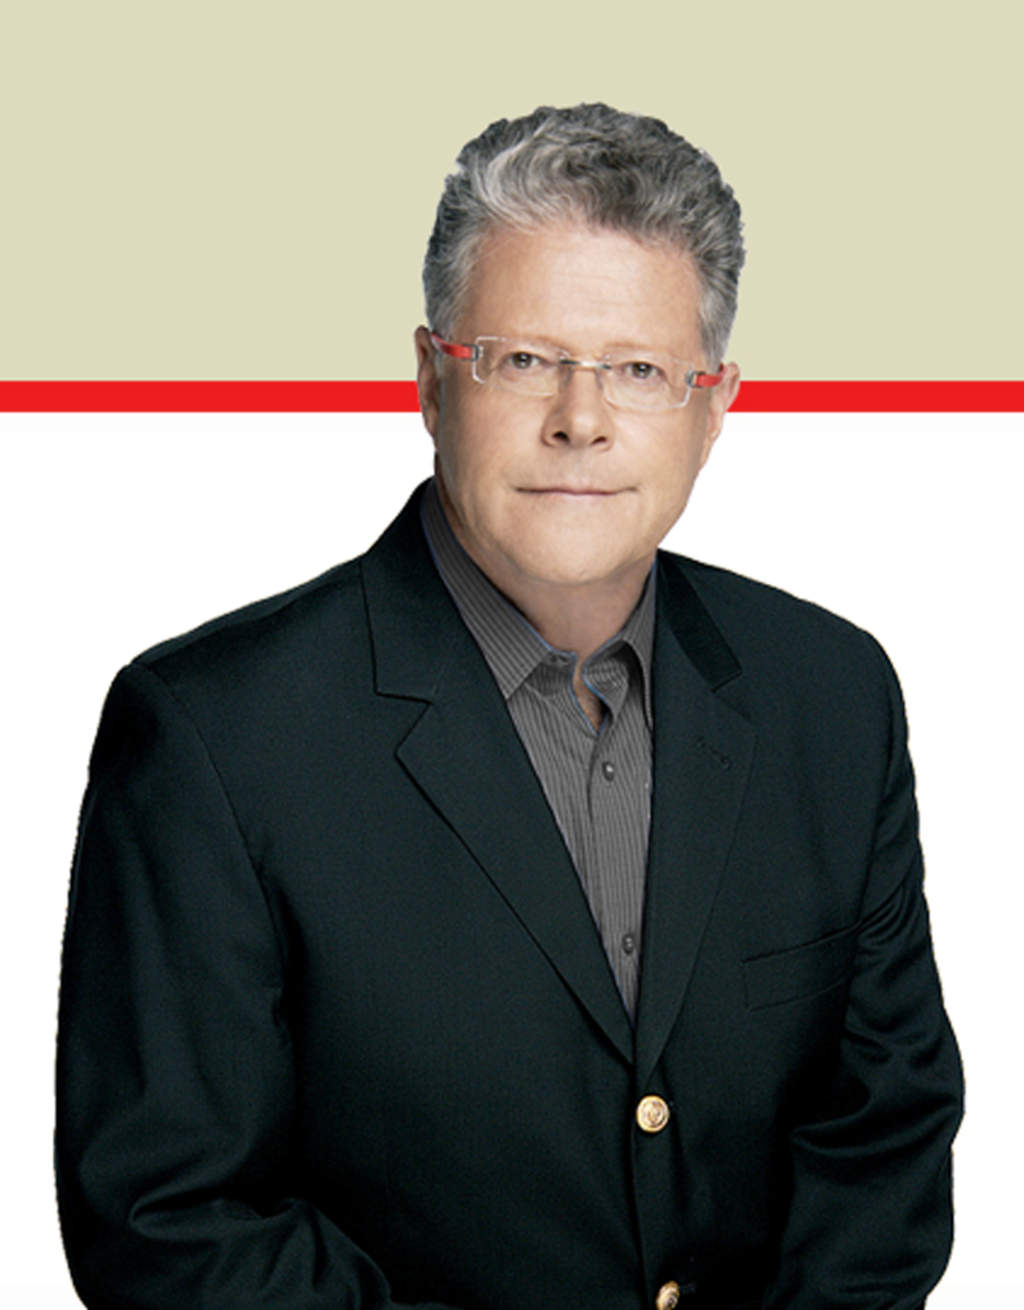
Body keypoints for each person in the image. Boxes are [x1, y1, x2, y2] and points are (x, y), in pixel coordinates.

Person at [56, 103, 963, 1310]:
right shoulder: (213, 737)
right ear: (433, 380)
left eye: (638, 370)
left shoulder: (832, 693)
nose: (581, 419)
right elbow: (170, 1220)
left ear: (713, 406)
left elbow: (883, 1135)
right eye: (524, 359)